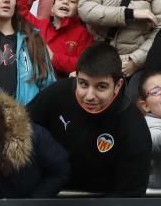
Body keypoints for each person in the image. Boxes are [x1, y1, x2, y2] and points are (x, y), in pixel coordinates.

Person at [28, 43, 153, 196]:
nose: (89, 96)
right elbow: (23, 128)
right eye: (83, 84)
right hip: (51, 190)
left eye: (101, 87)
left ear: (118, 85)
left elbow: (131, 194)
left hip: (103, 200)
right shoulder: (57, 93)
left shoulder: (133, 125)